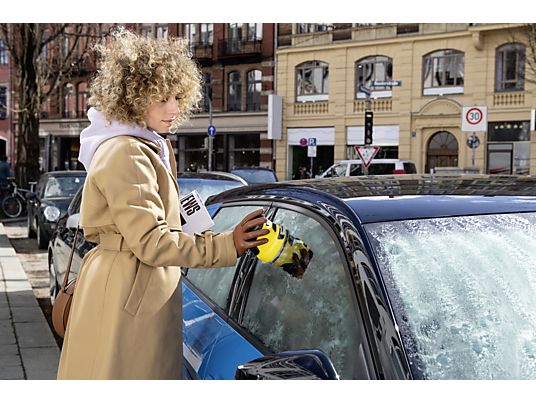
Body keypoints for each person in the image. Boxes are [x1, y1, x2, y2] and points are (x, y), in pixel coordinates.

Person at [56, 28, 269, 380]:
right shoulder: (126, 150)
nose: (174, 109)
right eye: (161, 98)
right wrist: (226, 244)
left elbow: (162, 222)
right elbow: (152, 242)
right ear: (133, 98)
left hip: (129, 281)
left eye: (176, 97)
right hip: (129, 287)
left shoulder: (145, 143)